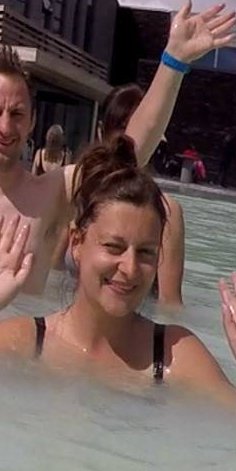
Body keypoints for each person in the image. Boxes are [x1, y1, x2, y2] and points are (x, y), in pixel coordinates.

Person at [0, 139, 236, 425]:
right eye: (114, 247)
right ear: (77, 242)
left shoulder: (172, 354)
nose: (130, 269)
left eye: (146, 252)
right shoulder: (28, 340)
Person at [0, 0, 236, 296]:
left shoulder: (51, 192)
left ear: (33, 120)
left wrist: (174, 61)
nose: (6, 127)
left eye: (18, 114)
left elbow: (131, 153)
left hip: (11, 345)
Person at [56, 84, 188, 306]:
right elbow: (50, 276)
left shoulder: (166, 211)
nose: (131, 139)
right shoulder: (76, 195)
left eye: (142, 128)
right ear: (101, 130)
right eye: (122, 127)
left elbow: (169, 305)